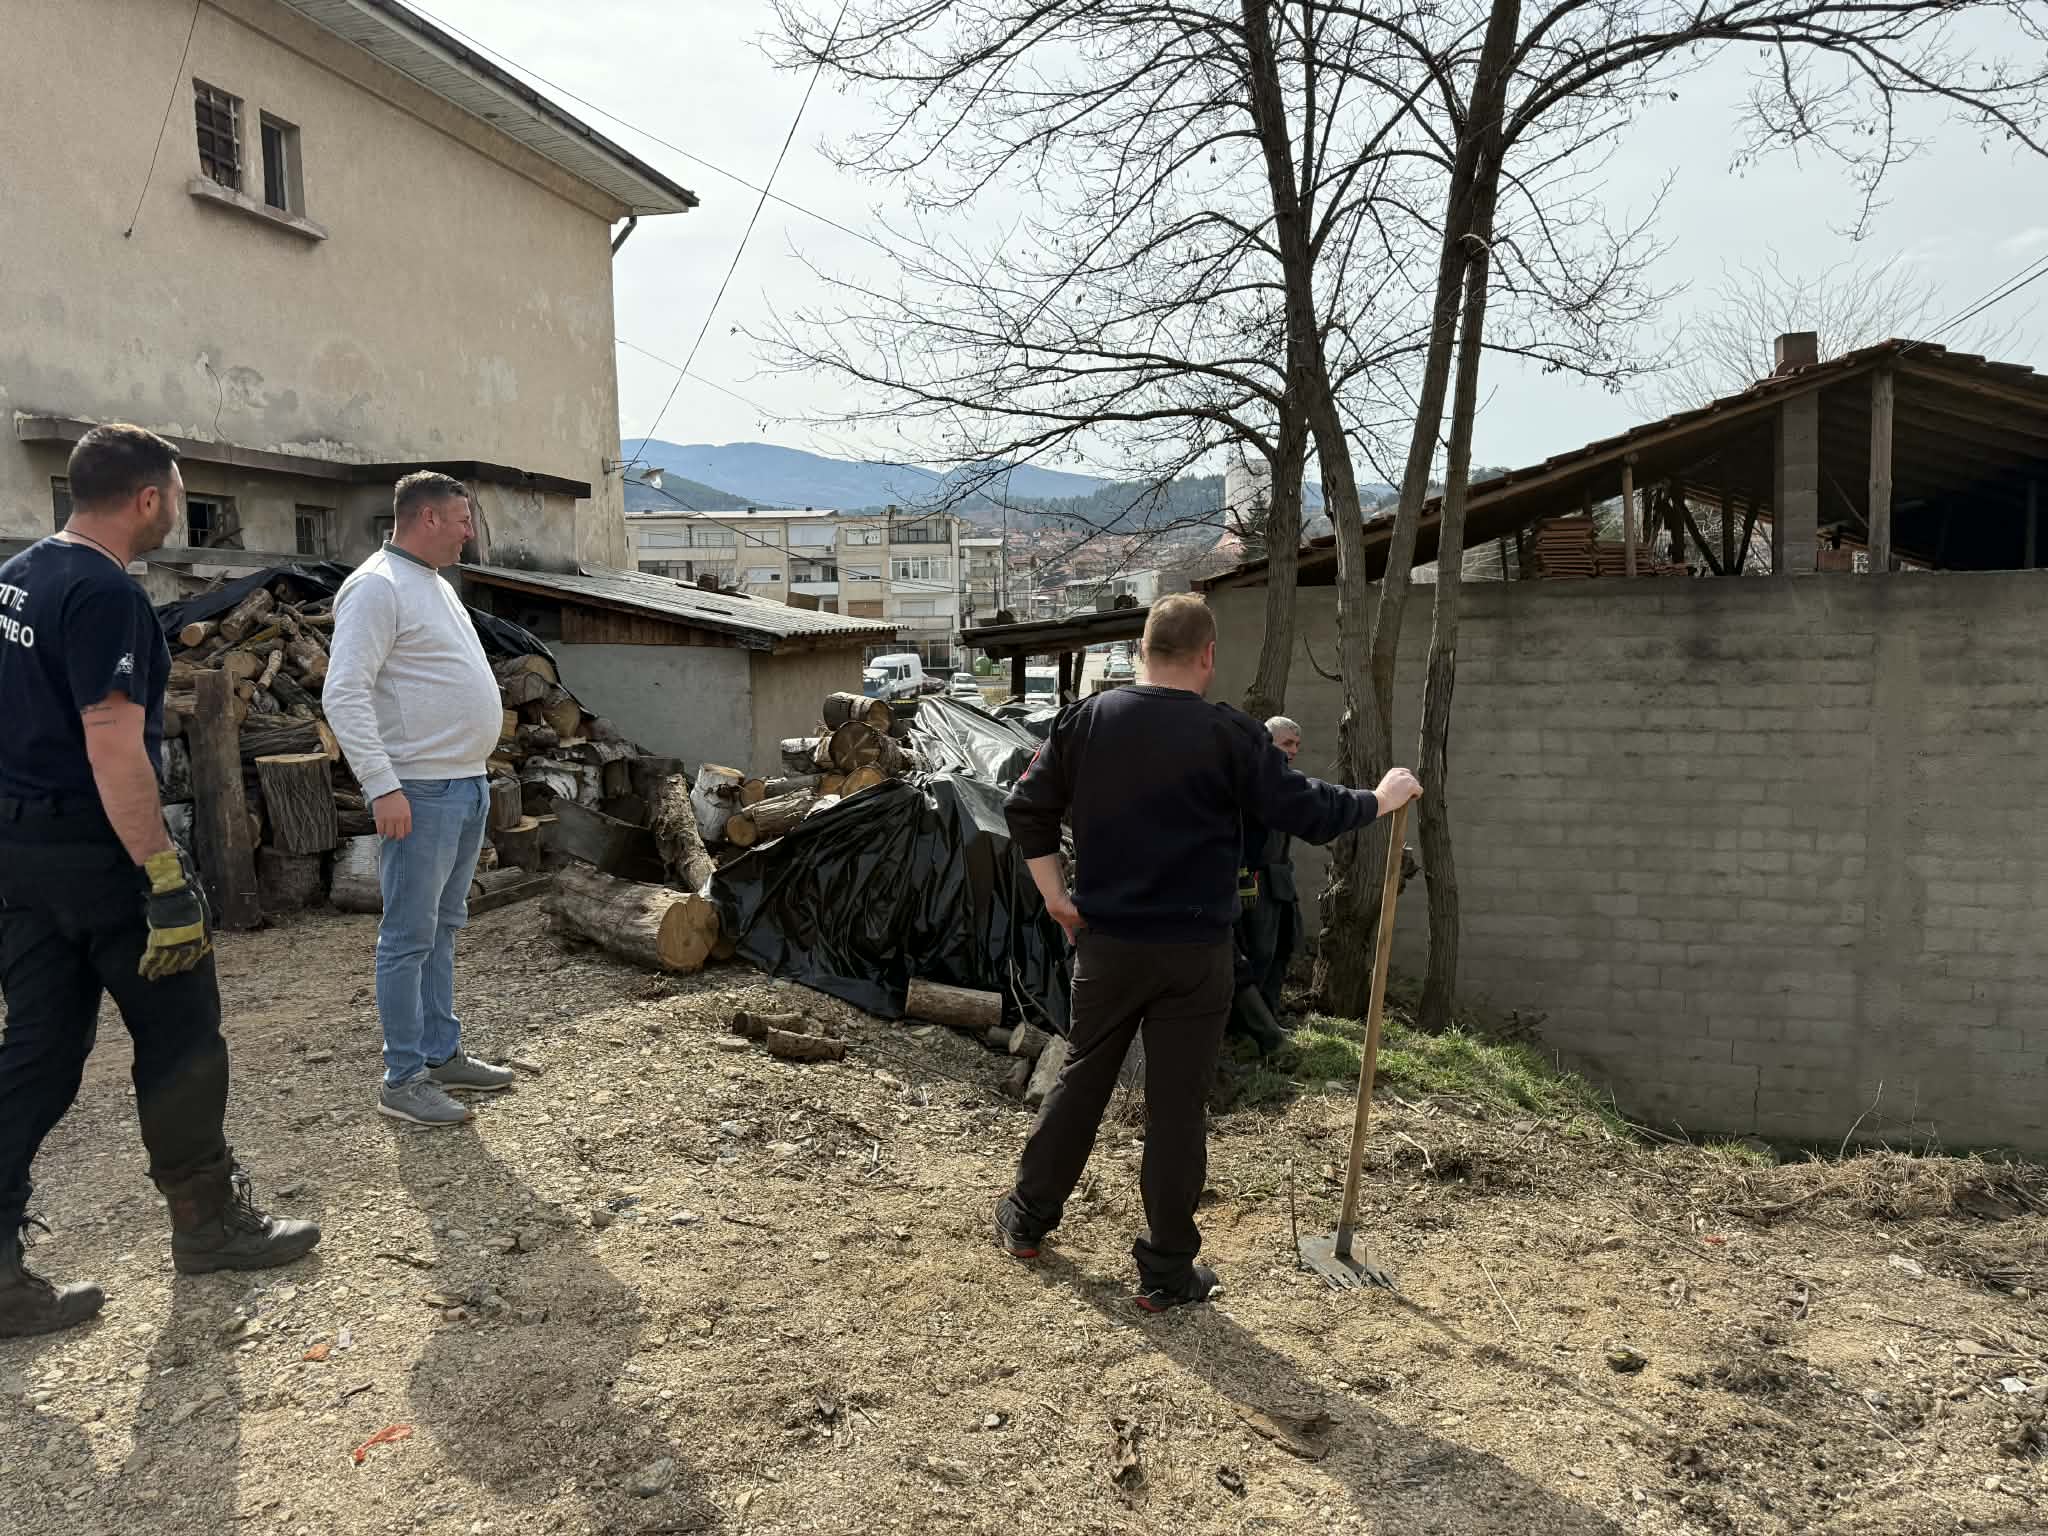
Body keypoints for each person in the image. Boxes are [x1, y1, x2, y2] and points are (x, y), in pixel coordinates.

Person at [995, 593, 1421, 1311]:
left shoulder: (1087, 720)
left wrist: (1057, 898)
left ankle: (1027, 1220)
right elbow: (1307, 809)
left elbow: (1025, 808)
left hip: (1109, 946)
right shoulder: (1230, 734)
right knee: (1176, 1109)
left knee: (1083, 1079)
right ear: (1209, 656)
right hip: (1195, 954)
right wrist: (1379, 798)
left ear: (1141, 650)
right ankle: (1165, 1271)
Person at [0, 425, 320, 1336]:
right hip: (100, 855)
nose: (178, 507)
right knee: (180, 1037)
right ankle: (207, 1225)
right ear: (148, 498)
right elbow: (111, 742)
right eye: (178, 492)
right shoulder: (103, 592)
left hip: (22, 853)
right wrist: (163, 875)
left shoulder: (18, 576)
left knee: (38, 1054)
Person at [325, 472, 516, 1128]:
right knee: (408, 937)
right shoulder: (377, 587)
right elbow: (344, 691)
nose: (470, 534)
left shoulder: (434, 584)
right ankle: (403, 1079)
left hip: (464, 783)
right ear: (428, 518)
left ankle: (440, 1053)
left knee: (442, 928)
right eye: (463, 521)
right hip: (419, 789)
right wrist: (382, 784)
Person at [1237, 714, 1304, 1017]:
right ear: (1267, 742)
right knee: (1258, 951)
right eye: (1287, 743)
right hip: (1253, 878)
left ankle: (1271, 1014)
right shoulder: (1248, 781)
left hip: (1280, 876)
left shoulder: (1290, 782)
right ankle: (1249, 1024)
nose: (1293, 750)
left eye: (1297, 745)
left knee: (1283, 947)